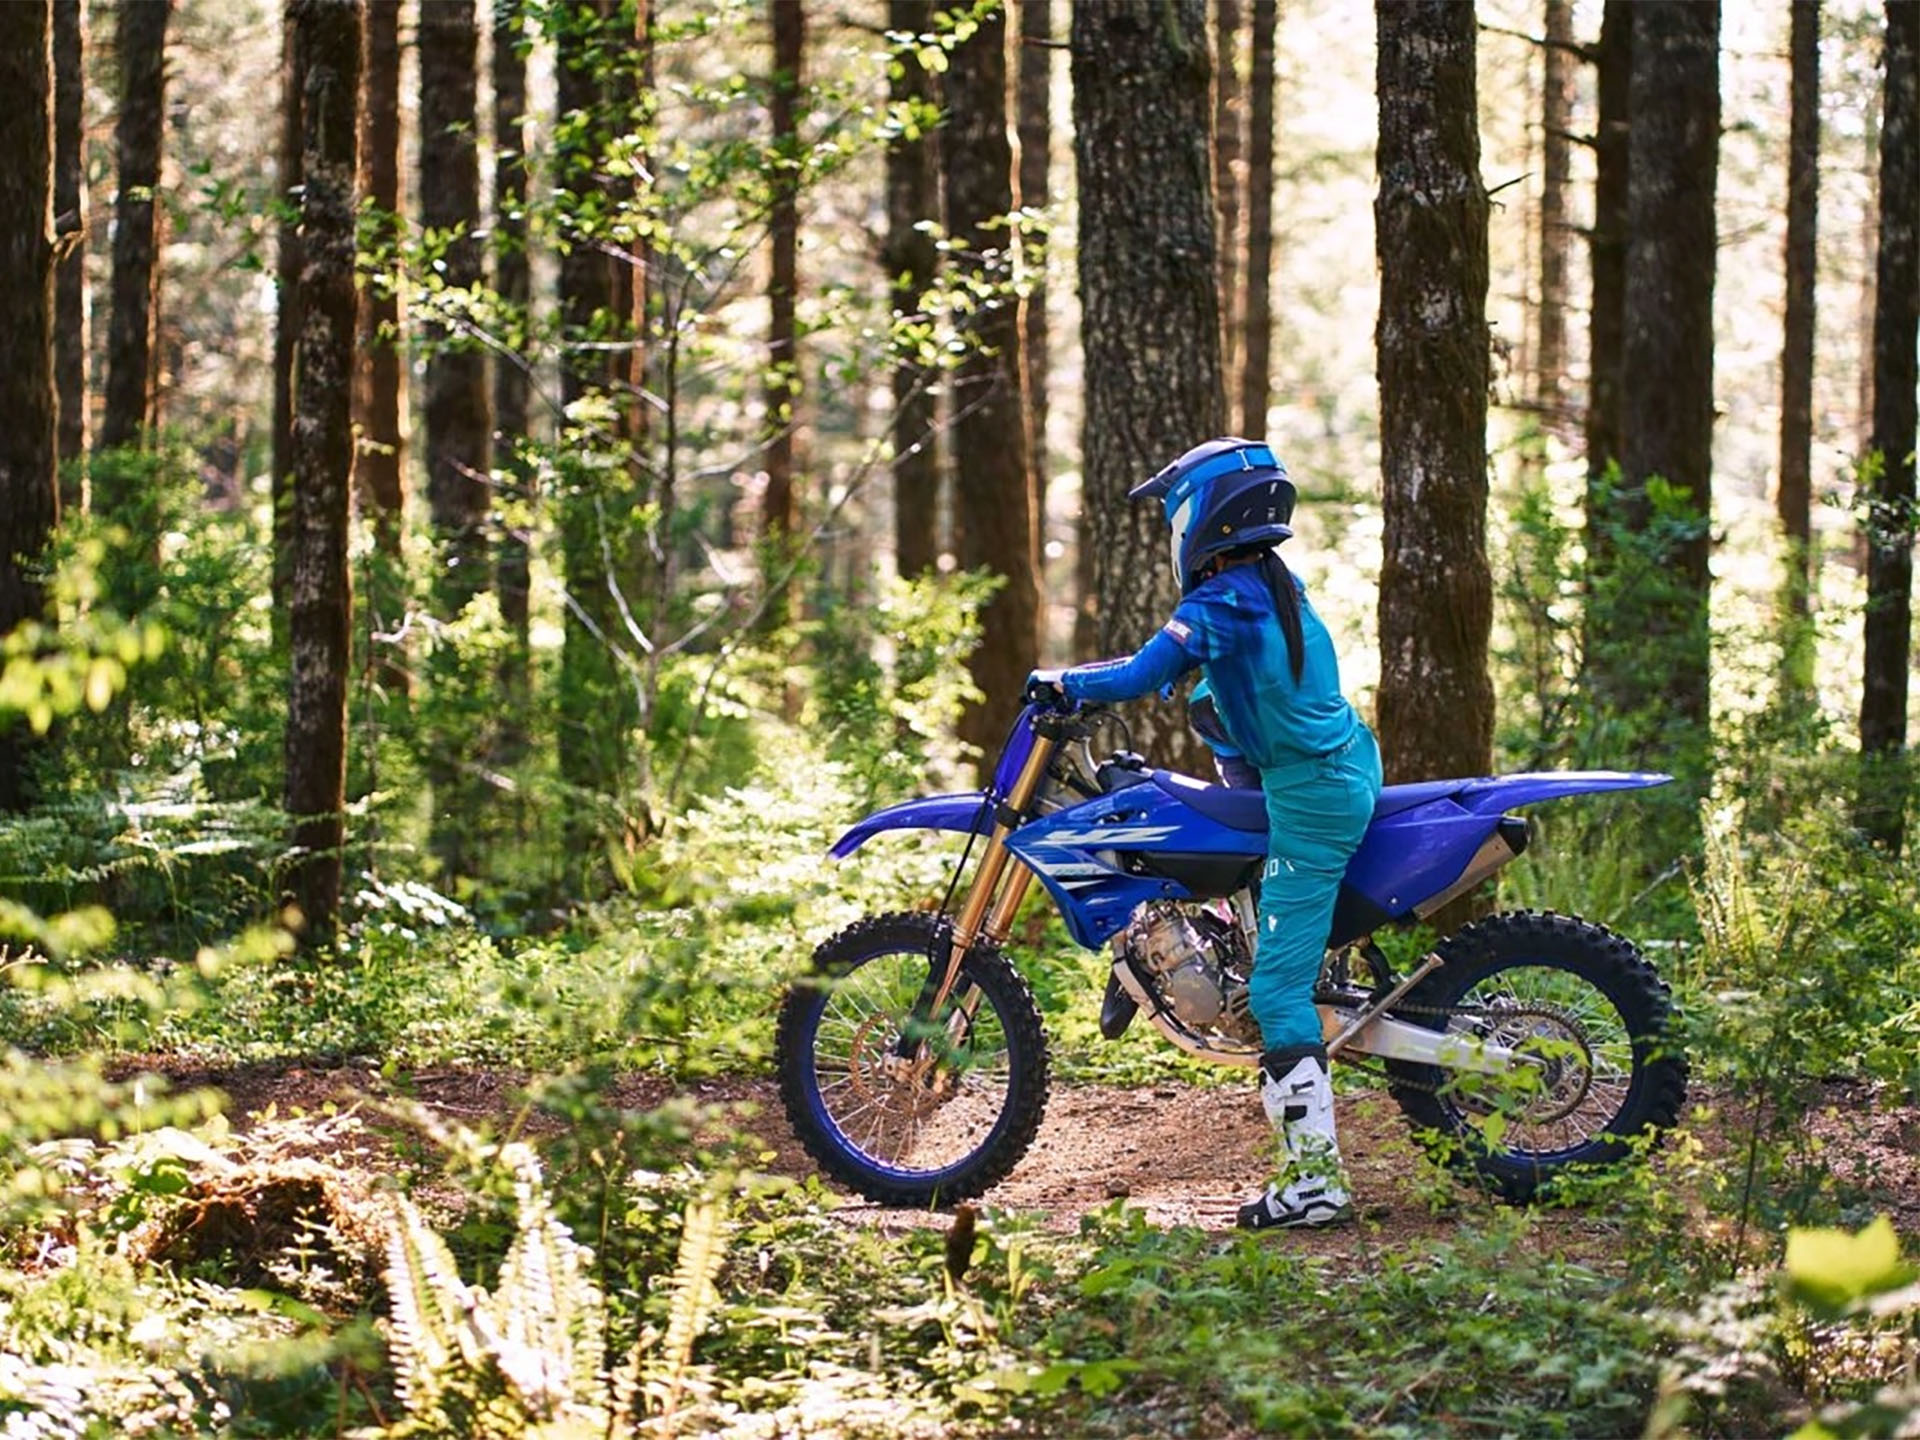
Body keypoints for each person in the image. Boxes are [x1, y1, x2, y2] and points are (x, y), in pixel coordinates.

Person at [1030, 437, 1382, 1229]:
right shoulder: (1268, 584)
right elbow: (1237, 694)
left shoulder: (1221, 602)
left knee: (1279, 992)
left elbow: (1137, 676)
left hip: (1312, 799)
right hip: (1330, 771)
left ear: (1203, 517)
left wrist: (1060, 680)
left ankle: (1316, 1185)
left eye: (1175, 518)